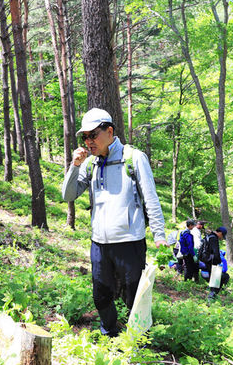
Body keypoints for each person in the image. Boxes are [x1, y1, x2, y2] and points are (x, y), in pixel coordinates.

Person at [62, 108, 168, 337]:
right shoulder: (90, 164)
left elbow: (151, 199)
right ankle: (109, 333)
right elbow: (68, 195)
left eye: (93, 135)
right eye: (85, 137)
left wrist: (159, 236)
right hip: (99, 242)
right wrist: (75, 166)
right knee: (101, 295)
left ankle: (137, 340)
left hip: (130, 242)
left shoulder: (134, 158)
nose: (88, 142)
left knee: (133, 296)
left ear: (109, 131)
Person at [200, 226, 227, 299]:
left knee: (213, 278)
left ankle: (211, 292)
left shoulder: (208, 236)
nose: (222, 238)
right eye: (222, 236)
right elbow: (216, 252)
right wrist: (218, 262)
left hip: (203, 259)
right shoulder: (214, 239)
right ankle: (212, 295)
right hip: (210, 260)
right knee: (223, 277)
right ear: (220, 233)